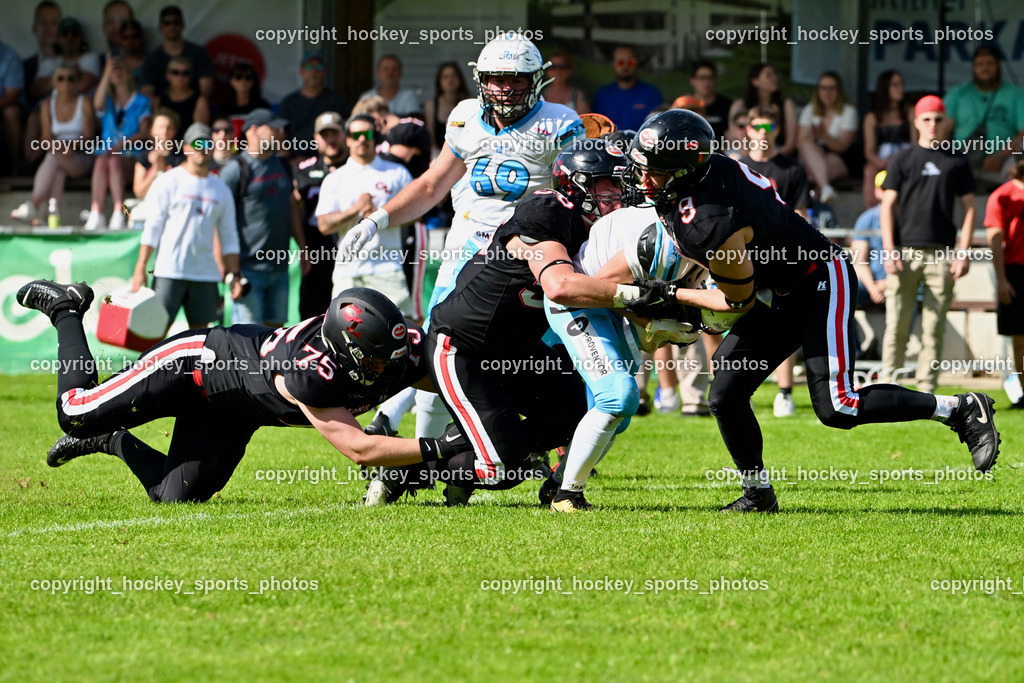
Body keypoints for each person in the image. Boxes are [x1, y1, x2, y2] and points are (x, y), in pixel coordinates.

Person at [623, 109, 1000, 513]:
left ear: (682, 172)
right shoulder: (701, 184)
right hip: (778, 288)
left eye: (655, 171)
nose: (643, 179)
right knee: (726, 393)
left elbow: (737, 302)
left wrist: (674, 296)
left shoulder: (712, 220)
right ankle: (758, 494)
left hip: (819, 278)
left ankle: (959, 408)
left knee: (838, 406)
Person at [366, 139, 673, 507]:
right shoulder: (546, 212)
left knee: (574, 412)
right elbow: (560, 286)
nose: (618, 194)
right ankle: (410, 469)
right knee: (503, 468)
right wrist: (635, 297)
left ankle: (479, 442)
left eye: (621, 183)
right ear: (576, 186)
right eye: (607, 184)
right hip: (463, 348)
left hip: (519, 350)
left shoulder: (599, 229)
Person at [339, 33, 584, 444]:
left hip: (522, 259)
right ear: (480, 79)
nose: (504, 88)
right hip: (466, 249)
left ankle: (520, 450)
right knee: (439, 353)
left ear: (537, 80)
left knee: (524, 361)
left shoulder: (559, 123)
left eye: (516, 79)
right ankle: (423, 458)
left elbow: (575, 196)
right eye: (495, 78)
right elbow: (433, 185)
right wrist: (379, 219)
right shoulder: (466, 116)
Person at [18, 281, 469, 503]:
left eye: (389, 357)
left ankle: (108, 439)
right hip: (194, 365)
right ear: (344, 349)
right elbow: (360, 449)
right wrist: (442, 445)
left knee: (176, 498)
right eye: (373, 360)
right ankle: (66, 308)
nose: (387, 370)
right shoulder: (311, 370)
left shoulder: (393, 351)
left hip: (232, 409)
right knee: (73, 410)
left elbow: (453, 383)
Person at [880, 96, 976, 394]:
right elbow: (886, 206)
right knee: (897, 325)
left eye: (937, 119)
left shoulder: (957, 159)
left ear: (945, 122)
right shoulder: (903, 159)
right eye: (926, 119)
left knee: (933, 328)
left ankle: (927, 391)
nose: (932, 124)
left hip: (943, 254)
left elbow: (970, 208)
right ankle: (888, 386)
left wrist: (963, 251)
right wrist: (889, 249)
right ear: (916, 121)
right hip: (905, 253)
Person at [129, 122, 238, 333]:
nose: (202, 148)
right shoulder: (168, 181)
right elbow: (153, 227)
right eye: (197, 143)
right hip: (169, 270)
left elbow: (229, 235)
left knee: (200, 339)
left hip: (205, 274)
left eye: (207, 143)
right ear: (186, 148)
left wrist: (234, 272)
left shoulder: (221, 189)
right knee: (156, 333)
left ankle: (193, 369)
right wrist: (140, 267)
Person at [740, 104, 812, 416]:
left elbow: (801, 217)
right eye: (757, 127)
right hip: (743, 257)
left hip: (781, 259)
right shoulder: (737, 167)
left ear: (778, 131)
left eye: (768, 128)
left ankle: (785, 393)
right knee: (738, 324)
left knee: (784, 324)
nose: (762, 134)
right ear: (747, 130)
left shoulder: (792, 170)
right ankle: (740, 390)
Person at [219, 108, 306, 328]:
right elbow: (217, 220)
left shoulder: (283, 164)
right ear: (254, 130)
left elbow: (291, 209)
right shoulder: (234, 170)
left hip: (280, 269)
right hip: (248, 271)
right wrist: (230, 271)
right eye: (274, 127)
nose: (281, 132)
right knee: (249, 342)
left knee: (276, 341)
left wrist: (303, 248)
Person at [316, 114, 413, 310]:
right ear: (348, 139)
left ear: (374, 138)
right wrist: (355, 210)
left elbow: (417, 214)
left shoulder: (397, 173)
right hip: (348, 271)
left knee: (399, 332)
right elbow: (324, 225)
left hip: (388, 268)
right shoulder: (335, 178)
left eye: (367, 134)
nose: (362, 139)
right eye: (356, 134)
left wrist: (380, 216)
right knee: (344, 335)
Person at [352, 95, 434, 319]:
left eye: (371, 126)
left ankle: (417, 347)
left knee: (410, 298)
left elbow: (396, 161)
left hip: (412, 219)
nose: (366, 136)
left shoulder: (407, 129)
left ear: (380, 118)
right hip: (387, 220)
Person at [10, 62, 94, 226]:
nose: (66, 83)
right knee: (57, 169)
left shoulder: (84, 102)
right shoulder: (47, 105)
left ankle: (33, 205)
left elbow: (89, 136)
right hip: (60, 155)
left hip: (81, 157)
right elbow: (46, 138)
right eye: (61, 79)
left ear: (77, 82)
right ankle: (50, 218)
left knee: (53, 157)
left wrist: (72, 147)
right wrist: (63, 148)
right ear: (54, 82)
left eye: (71, 79)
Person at [85, 55, 151, 230]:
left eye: (121, 69)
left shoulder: (141, 101)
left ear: (130, 74)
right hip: (106, 156)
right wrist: (106, 72)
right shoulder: (108, 102)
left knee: (113, 160)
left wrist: (122, 144)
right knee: (101, 161)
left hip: (131, 155)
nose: (117, 73)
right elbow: (97, 103)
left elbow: (145, 132)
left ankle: (119, 212)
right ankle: (96, 212)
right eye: (114, 70)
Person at [943, 46, 1024, 184]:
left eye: (990, 63)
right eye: (980, 64)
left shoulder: (1015, 94)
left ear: (999, 66)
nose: (985, 68)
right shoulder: (958, 94)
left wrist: (1000, 156)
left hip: (1004, 160)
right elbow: (942, 127)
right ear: (973, 68)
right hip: (962, 158)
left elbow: (1023, 133)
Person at [294, 111, 347, 320]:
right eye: (325, 135)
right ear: (316, 138)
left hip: (348, 249)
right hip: (316, 251)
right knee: (311, 316)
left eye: (335, 133)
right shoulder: (304, 170)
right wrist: (302, 247)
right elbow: (293, 210)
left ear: (344, 134)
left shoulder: (356, 166)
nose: (331, 140)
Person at [983, 159, 1024, 408]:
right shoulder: (1002, 196)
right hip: (1016, 273)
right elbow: (995, 241)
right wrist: (1001, 280)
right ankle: (1023, 394)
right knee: (1020, 338)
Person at [797, 71, 858, 204]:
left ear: (839, 90)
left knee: (814, 170)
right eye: (823, 88)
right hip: (812, 155)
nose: (827, 92)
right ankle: (825, 188)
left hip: (839, 158)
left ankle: (819, 191)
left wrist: (823, 134)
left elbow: (842, 147)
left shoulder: (849, 111)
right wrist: (813, 136)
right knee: (807, 148)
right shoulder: (809, 109)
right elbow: (800, 143)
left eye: (832, 88)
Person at [140, 5, 215, 103]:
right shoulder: (152, 58)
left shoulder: (199, 53)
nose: (172, 26)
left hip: (194, 107)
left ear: (182, 25)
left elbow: (206, 90)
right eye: (167, 23)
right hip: (163, 110)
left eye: (176, 22)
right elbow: (147, 93)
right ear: (160, 27)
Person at [279, 51, 349, 155]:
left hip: (327, 160)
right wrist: (290, 161)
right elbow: (280, 137)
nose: (314, 72)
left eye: (319, 67)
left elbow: (345, 133)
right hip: (295, 163)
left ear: (325, 71)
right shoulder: (289, 102)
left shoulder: (336, 100)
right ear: (301, 70)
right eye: (309, 67)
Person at [862, 70, 914, 208]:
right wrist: (881, 162)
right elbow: (869, 151)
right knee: (869, 170)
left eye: (902, 84)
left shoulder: (910, 112)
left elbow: (916, 144)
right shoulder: (872, 117)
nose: (901, 88)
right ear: (885, 88)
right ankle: (872, 211)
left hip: (907, 157)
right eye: (895, 85)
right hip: (882, 161)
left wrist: (899, 160)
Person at [21, 1, 62, 168]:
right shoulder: (24, 66)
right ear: (34, 27)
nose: (48, 28)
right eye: (43, 22)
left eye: (54, 23)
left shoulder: (74, 61)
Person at [728, 63, 797, 157]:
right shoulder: (740, 104)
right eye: (768, 75)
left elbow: (790, 144)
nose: (775, 78)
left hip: (776, 155)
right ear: (755, 81)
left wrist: (768, 158)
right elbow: (732, 136)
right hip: (744, 153)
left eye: (775, 74)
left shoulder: (786, 104)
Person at [591, 46, 663, 131]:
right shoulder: (602, 95)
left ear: (636, 64)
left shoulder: (652, 94)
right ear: (613, 65)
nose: (625, 66)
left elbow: (658, 126)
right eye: (621, 63)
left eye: (630, 62)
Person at [132, 108, 182, 200]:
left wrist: (164, 169)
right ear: (152, 130)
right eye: (161, 127)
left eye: (169, 127)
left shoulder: (182, 157)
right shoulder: (143, 157)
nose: (165, 131)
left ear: (175, 131)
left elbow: (182, 191)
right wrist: (156, 170)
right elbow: (139, 193)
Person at [423, 61, 471, 153]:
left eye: (454, 76)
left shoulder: (469, 104)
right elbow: (430, 139)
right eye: (445, 77)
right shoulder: (431, 105)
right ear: (439, 81)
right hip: (437, 155)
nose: (450, 80)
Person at [158, 55, 209, 138]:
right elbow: (154, 132)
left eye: (185, 73)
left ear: (191, 77)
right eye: (175, 72)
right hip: (164, 147)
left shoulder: (199, 100)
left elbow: (201, 134)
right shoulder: (159, 100)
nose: (180, 77)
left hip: (190, 148)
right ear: (167, 75)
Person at [688, 60, 731, 141]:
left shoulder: (726, 105)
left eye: (710, 78)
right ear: (692, 80)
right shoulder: (683, 105)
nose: (706, 82)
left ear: (715, 80)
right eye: (702, 78)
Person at [0, 34, 24, 175]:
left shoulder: (9, 57)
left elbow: (12, 95)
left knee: (11, 112)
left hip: (6, 106)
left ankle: (15, 169)